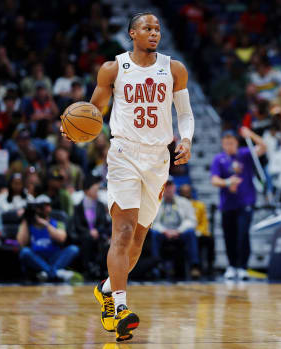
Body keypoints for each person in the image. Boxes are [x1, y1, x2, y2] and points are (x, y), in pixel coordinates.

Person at [59, 12, 195, 340]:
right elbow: (92, 115)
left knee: (136, 243)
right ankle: (120, 308)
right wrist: (75, 128)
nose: (154, 33)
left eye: (157, 28)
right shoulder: (113, 69)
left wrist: (187, 138)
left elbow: (185, 114)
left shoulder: (174, 69)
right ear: (132, 33)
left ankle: (106, 289)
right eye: (147, 28)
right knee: (122, 232)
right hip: (124, 157)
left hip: (158, 160)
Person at [211, 127, 266, 281]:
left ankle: (242, 267)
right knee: (229, 236)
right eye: (226, 143)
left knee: (243, 234)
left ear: (237, 142)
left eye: (232, 142)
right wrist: (228, 182)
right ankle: (232, 266)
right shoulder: (219, 159)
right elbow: (214, 180)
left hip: (245, 202)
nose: (229, 146)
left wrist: (251, 135)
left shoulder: (245, 154)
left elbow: (263, 147)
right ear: (222, 144)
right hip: (227, 204)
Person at [16, 194, 79, 283]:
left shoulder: (57, 222)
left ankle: (46, 273)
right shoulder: (28, 224)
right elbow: (21, 242)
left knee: (73, 249)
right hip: (37, 257)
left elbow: (62, 238)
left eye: (47, 205)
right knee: (25, 252)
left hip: (54, 256)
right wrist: (25, 219)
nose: (46, 208)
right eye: (42, 206)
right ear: (36, 208)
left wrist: (46, 224)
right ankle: (55, 273)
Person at [149, 177, 200, 278]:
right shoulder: (155, 203)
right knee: (153, 233)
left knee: (190, 232)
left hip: (180, 232)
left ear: (174, 188)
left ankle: (194, 266)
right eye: (165, 186)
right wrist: (164, 231)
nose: (168, 189)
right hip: (163, 233)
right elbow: (152, 222)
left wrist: (179, 231)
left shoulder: (184, 202)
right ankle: (156, 266)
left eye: (170, 186)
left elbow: (191, 220)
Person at [71, 176, 110, 280]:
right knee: (87, 239)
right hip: (84, 235)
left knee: (105, 242)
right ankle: (87, 268)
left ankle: (101, 269)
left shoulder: (100, 205)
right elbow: (77, 224)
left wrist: (97, 230)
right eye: (95, 189)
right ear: (87, 191)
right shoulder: (79, 206)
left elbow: (104, 222)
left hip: (99, 234)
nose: (97, 192)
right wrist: (89, 231)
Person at [179, 183, 213, 277]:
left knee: (210, 240)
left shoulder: (200, 205)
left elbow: (204, 223)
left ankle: (209, 267)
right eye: (184, 192)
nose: (186, 194)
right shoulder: (179, 205)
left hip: (197, 232)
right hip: (183, 232)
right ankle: (187, 268)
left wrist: (198, 232)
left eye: (188, 192)